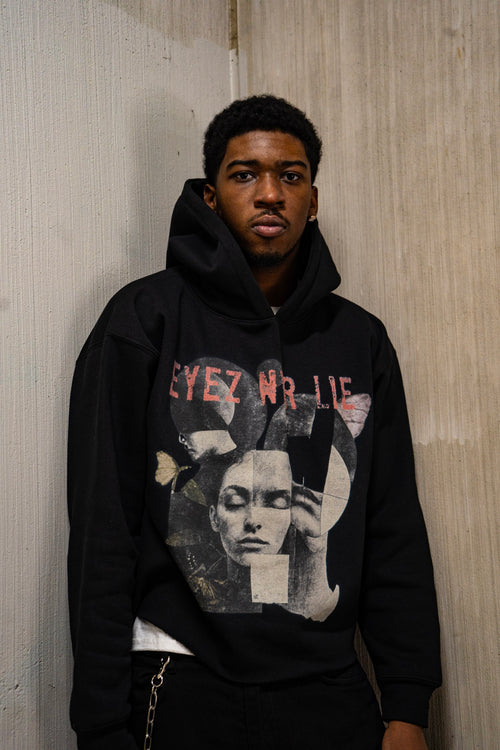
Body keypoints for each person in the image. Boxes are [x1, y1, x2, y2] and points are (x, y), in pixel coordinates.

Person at [68, 95, 441, 750]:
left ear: (312, 199)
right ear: (211, 198)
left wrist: (408, 705)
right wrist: (100, 724)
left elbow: (392, 527)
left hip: (328, 685)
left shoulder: (359, 340)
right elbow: (104, 526)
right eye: (245, 174)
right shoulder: (145, 319)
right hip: (179, 679)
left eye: (290, 176)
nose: (270, 193)